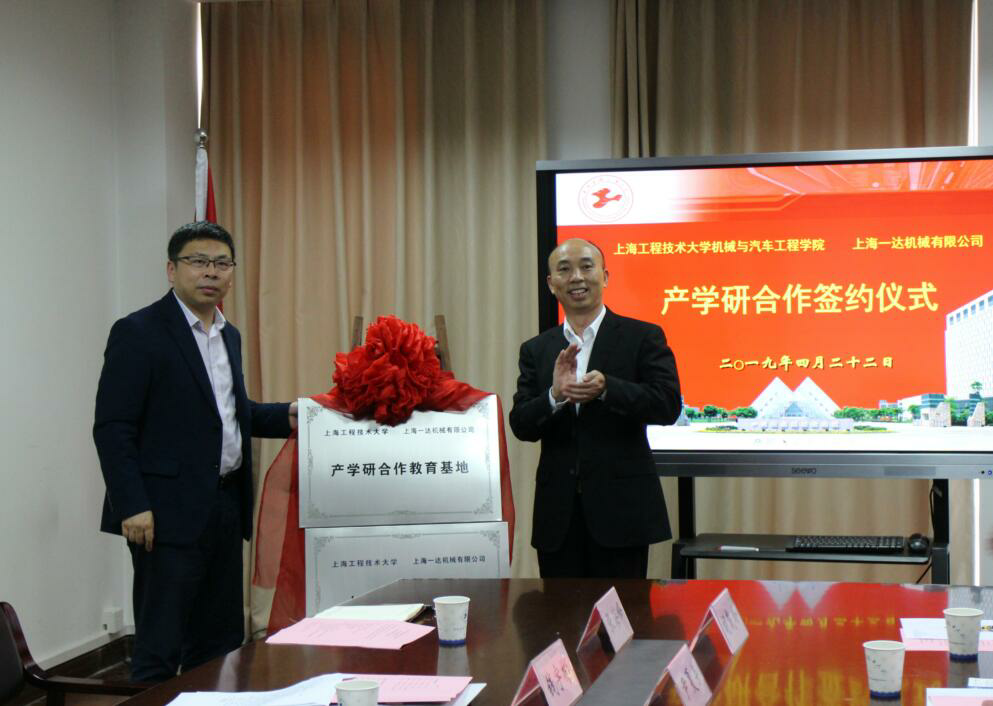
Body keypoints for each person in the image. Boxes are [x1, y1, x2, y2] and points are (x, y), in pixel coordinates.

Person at [93, 221, 297, 681]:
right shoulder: (138, 332)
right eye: (198, 261)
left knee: (219, 642)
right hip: (162, 515)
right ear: (172, 269)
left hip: (224, 506)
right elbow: (113, 427)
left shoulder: (228, 334)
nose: (211, 272)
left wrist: (296, 414)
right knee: (161, 644)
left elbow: (232, 413)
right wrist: (132, 504)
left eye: (222, 263)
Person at [509, 238, 681, 578]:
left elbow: (667, 405)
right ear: (551, 284)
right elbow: (521, 425)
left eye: (586, 267)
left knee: (622, 611)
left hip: (622, 512)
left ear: (605, 276)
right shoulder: (537, 349)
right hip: (558, 516)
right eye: (564, 269)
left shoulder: (642, 337)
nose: (576, 277)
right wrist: (554, 396)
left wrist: (607, 389)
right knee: (560, 609)